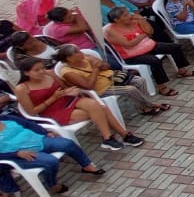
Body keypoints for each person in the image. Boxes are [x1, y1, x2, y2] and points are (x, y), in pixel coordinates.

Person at [12, 56, 140, 151]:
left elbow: (63, 88)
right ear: (26, 72)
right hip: (51, 111)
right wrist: (53, 98)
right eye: (37, 70)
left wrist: (68, 91)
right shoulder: (22, 88)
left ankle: (110, 138)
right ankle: (120, 136)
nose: (42, 72)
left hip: (65, 100)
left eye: (42, 68)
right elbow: (32, 112)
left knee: (95, 105)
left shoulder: (49, 74)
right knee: (100, 109)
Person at [0, 111, 106, 196]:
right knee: (50, 161)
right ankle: (51, 185)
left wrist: (46, 132)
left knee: (67, 143)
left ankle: (86, 166)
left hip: (38, 140)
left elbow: (29, 124)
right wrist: (16, 154)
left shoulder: (6, 118)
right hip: (21, 154)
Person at [52, 43, 169, 117]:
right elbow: (88, 86)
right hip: (101, 89)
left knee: (140, 80)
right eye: (77, 52)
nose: (81, 53)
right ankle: (151, 105)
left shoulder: (85, 58)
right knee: (131, 89)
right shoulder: (68, 72)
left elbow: (107, 66)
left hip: (112, 78)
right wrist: (96, 69)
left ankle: (145, 107)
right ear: (69, 58)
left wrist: (101, 65)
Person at [103, 7, 194, 97]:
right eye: (126, 15)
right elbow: (129, 44)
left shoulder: (134, 21)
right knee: (154, 61)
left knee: (175, 47)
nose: (130, 16)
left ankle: (182, 71)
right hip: (132, 55)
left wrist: (141, 19)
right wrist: (143, 35)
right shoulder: (111, 30)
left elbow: (150, 31)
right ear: (116, 20)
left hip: (148, 46)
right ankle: (162, 87)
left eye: (128, 13)